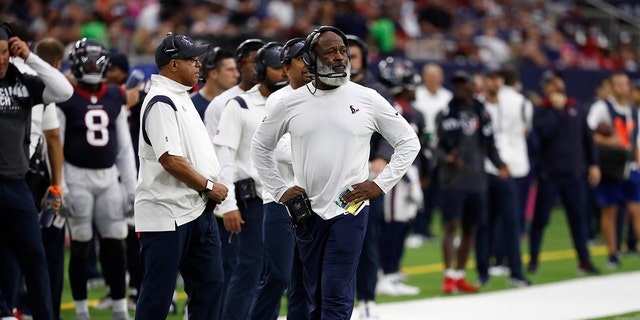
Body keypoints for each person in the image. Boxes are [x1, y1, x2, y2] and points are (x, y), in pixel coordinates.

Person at [251, 26, 420, 319]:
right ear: (311, 60)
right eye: (330, 52)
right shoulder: (290, 102)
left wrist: (380, 185)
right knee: (314, 293)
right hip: (306, 213)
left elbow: (409, 142)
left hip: (350, 209)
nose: (340, 57)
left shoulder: (367, 97)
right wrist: (279, 189)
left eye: (342, 51)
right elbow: (260, 147)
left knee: (336, 293)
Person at [134, 32, 228, 320]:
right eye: (191, 59)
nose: (199, 64)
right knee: (157, 296)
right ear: (173, 64)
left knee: (210, 287)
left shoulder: (180, 95)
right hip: (166, 213)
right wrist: (209, 185)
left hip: (196, 208)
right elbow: (170, 160)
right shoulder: (162, 100)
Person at [56, 38, 136, 320]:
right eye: (87, 61)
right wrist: (61, 185)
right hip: (76, 176)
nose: (92, 66)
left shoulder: (114, 95)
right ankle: (80, 311)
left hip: (108, 176)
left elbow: (124, 146)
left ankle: (118, 307)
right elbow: (57, 144)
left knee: (116, 241)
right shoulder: (65, 95)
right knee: (81, 242)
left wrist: (130, 187)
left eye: (95, 61)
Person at [0, 22, 73, 320]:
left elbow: (64, 90)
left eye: (5, 52)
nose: (2, 59)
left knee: (34, 258)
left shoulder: (24, 82)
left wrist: (30, 56)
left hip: (18, 183)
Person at [213, 41, 288, 320]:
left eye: (286, 66)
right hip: (254, 199)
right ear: (259, 69)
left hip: (288, 198)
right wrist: (228, 204)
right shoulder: (240, 104)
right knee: (250, 269)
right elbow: (225, 156)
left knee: (282, 274)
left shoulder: (295, 103)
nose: (283, 72)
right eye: (277, 67)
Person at [248, 37, 312, 320]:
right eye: (302, 59)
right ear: (286, 67)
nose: (309, 64)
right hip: (281, 198)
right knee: (276, 276)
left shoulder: (324, 97)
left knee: (304, 281)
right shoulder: (279, 98)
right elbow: (278, 149)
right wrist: (318, 156)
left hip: (314, 201)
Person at [436, 70, 508, 294]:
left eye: (463, 83)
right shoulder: (446, 112)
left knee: (470, 229)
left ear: (471, 86)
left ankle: (459, 275)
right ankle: (448, 276)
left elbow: (490, 143)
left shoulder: (482, 112)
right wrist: (447, 158)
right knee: (451, 226)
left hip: (477, 180)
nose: (459, 87)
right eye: (456, 84)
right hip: (453, 180)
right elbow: (436, 147)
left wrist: (500, 164)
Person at [528, 70, 600, 275]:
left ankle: (584, 261)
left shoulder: (576, 107)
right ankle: (533, 260)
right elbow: (543, 133)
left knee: (578, 218)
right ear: (545, 88)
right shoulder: (541, 110)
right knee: (540, 219)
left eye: (558, 81)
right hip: (549, 173)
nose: (557, 85)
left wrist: (593, 164)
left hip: (574, 173)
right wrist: (555, 111)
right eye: (551, 83)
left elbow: (587, 139)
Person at [346, 34, 394, 320]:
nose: (345, 61)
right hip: (334, 176)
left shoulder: (376, 90)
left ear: (363, 58)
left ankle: (367, 298)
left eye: (351, 56)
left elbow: (393, 130)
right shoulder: (329, 88)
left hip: (365, 175)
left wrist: (381, 157)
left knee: (367, 238)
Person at [475, 70, 531, 288]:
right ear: (485, 81)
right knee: (483, 224)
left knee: (512, 223)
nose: (495, 82)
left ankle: (516, 272)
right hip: (484, 171)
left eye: (498, 79)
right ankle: (483, 273)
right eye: (491, 78)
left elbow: (522, 132)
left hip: (507, 170)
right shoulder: (477, 105)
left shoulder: (514, 103)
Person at [374, 56, 424, 297]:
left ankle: (391, 271)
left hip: (406, 174)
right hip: (394, 174)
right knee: (393, 225)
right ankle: (386, 274)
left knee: (402, 224)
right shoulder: (393, 108)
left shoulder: (407, 109)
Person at [587, 72, 640, 269]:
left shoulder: (633, 111)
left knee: (637, 209)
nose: (622, 88)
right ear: (611, 86)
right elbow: (589, 133)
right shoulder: (602, 107)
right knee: (610, 210)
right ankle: (612, 252)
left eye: (625, 84)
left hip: (629, 165)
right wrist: (608, 141)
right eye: (618, 84)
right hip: (610, 165)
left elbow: (635, 141)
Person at [408, 63, 453, 247]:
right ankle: (419, 230)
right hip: (420, 149)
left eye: (437, 75)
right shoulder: (416, 96)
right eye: (430, 75)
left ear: (442, 78)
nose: (434, 79)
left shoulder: (448, 97)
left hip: (442, 150)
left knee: (442, 192)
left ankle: (444, 231)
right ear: (424, 77)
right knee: (421, 189)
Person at [204, 38, 265, 140]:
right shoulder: (220, 103)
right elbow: (212, 148)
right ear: (241, 65)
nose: (259, 66)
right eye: (254, 61)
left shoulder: (279, 99)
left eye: (263, 61)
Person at [191, 46, 239, 120]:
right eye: (230, 70)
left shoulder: (239, 102)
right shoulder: (191, 105)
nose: (237, 75)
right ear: (213, 73)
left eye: (236, 69)